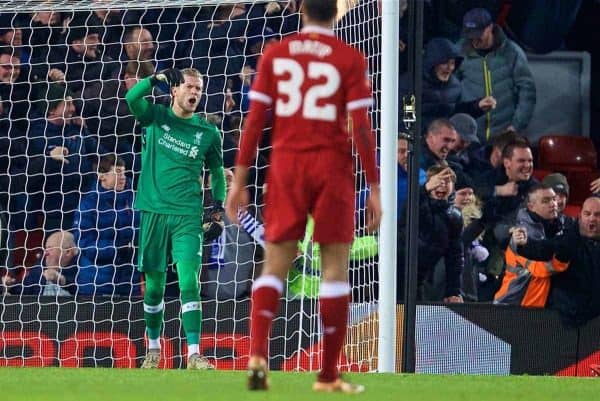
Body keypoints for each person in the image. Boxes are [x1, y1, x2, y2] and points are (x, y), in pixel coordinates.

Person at [225, 0, 381, 393]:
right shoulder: (349, 57)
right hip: (332, 169)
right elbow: (361, 127)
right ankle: (328, 375)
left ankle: (258, 354)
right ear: (337, 13)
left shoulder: (277, 54)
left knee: (274, 265)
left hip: (287, 167)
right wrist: (375, 186)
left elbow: (255, 122)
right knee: (334, 272)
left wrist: (240, 179)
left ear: (299, 9)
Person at [125, 67, 226, 370]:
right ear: (175, 91)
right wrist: (153, 80)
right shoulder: (155, 116)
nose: (195, 93)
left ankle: (194, 353)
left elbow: (218, 172)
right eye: (190, 87)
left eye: (199, 89)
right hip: (154, 212)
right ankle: (153, 349)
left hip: (187, 216)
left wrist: (217, 209)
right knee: (154, 287)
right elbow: (132, 98)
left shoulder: (208, 132)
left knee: (188, 282)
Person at [457, 8, 536, 142]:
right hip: (469, 138)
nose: (474, 40)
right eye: (469, 34)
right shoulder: (459, 52)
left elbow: (527, 92)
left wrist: (516, 126)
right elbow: (451, 92)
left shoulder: (512, 52)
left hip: (504, 137)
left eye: (478, 34)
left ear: (490, 28)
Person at [73, 154, 141, 297]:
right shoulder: (88, 204)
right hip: (96, 283)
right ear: (101, 176)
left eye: (124, 172)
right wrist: (117, 249)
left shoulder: (134, 199)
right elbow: (85, 244)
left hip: (129, 281)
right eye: (117, 172)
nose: (123, 176)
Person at [2, 230, 78, 296]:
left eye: (50, 248)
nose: (45, 253)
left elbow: (84, 292)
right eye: (46, 248)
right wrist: (11, 286)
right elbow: (24, 289)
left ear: (68, 252)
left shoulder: (82, 268)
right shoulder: (39, 268)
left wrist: (62, 281)